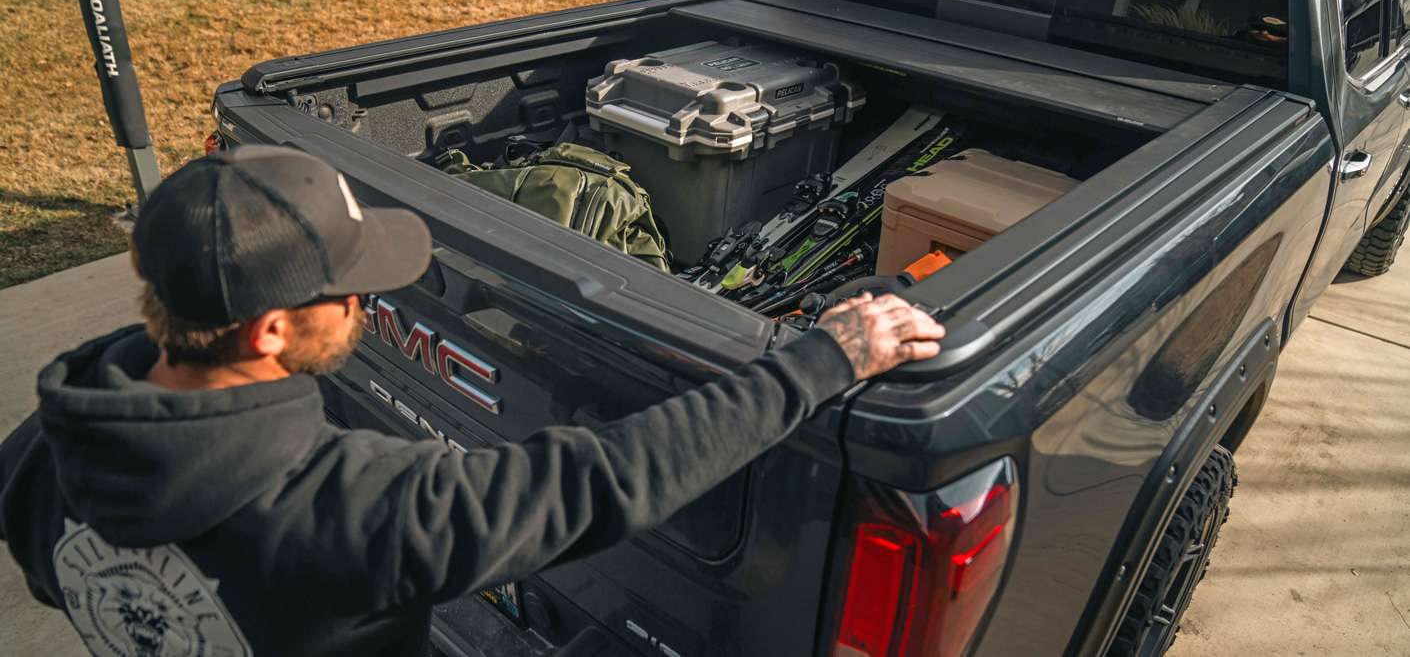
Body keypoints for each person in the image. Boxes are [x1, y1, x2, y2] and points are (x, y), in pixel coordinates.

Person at [0, 146, 944, 657]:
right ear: (269, 331)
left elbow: (57, 579)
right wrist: (828, 357)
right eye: (348, 290)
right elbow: (614, 475)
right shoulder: (359, 513)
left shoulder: (48, 444)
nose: (369, 304)